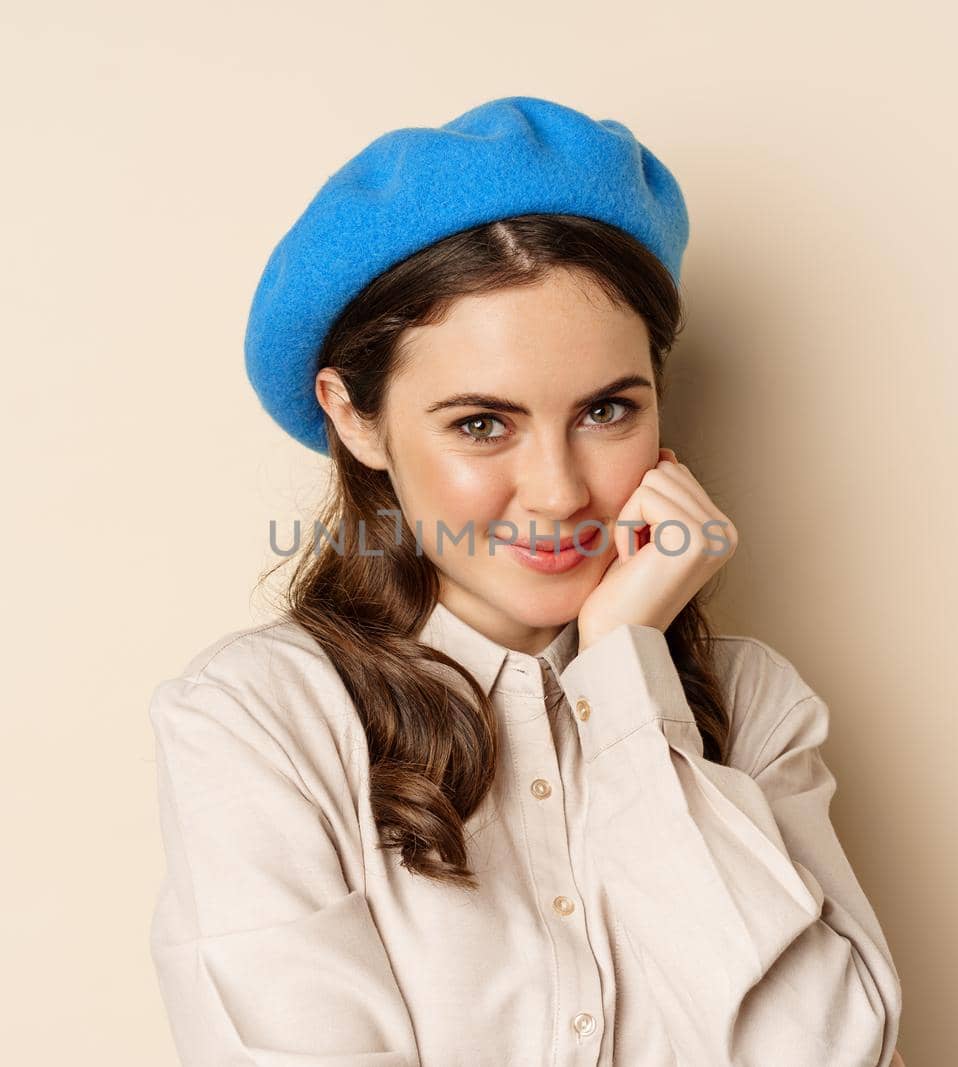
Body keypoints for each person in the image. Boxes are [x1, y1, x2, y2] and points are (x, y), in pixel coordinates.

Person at [146, 96, 905, 1066]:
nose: (556, 491)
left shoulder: (752, 703)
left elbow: (833, 1051)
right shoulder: (257, 716)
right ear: (356, 418)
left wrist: (624, 678)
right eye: (479, 423)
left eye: (604, 410)